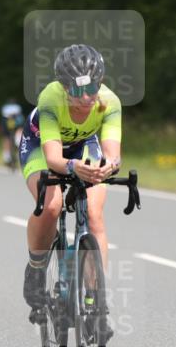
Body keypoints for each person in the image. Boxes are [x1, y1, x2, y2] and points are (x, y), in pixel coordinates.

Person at [19, 44, 122, 320]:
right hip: (41, 147)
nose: (87, 97)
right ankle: (36, 267)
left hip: (83, 145)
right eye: (77, 90)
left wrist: (106, 168)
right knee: (51, 205)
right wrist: (74, 167)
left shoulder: (109, 102)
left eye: (93, 88)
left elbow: (113, 154)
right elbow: (54, 158)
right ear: (64, 87)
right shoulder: (50, 99)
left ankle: (94, 296)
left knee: (94, 213)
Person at [0, 100, 25, 169]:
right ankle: (17, 145)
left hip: (7, 121)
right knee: (18, 131)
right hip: (14, 121)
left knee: (6, 137)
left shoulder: (5, 107)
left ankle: (7, 156)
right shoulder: (17, 107)